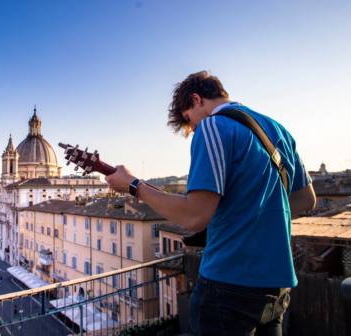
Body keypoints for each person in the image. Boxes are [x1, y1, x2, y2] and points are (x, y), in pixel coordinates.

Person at [105, 71, 316, 335]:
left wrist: (134, 186)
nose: (192, 128)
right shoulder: (278, 129)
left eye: (188, 120)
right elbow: (306, 200)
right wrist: (252, 215)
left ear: (196, 100)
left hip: (229, 285)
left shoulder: (213, 126)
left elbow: (194, 216)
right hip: (277, 287)